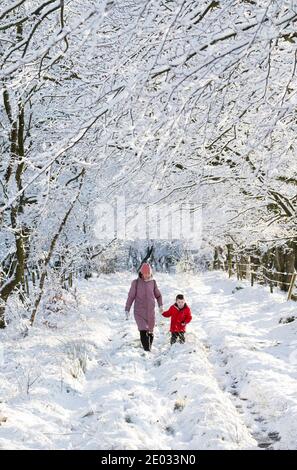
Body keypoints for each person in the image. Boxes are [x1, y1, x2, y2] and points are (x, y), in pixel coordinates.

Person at [125, 263, 163, 352]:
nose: (146, 276)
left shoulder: (153, 282)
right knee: (143, 331)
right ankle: (147, 351)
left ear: (150, 273)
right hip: (139, 312)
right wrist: (127, 309)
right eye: (144, 274)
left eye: (148, 274)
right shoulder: (136, 283)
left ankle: (148, 348)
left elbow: (158, 295)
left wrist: (160, 305)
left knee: (150, 332)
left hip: (150, 312)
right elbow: (131, 296)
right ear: (141, 273)